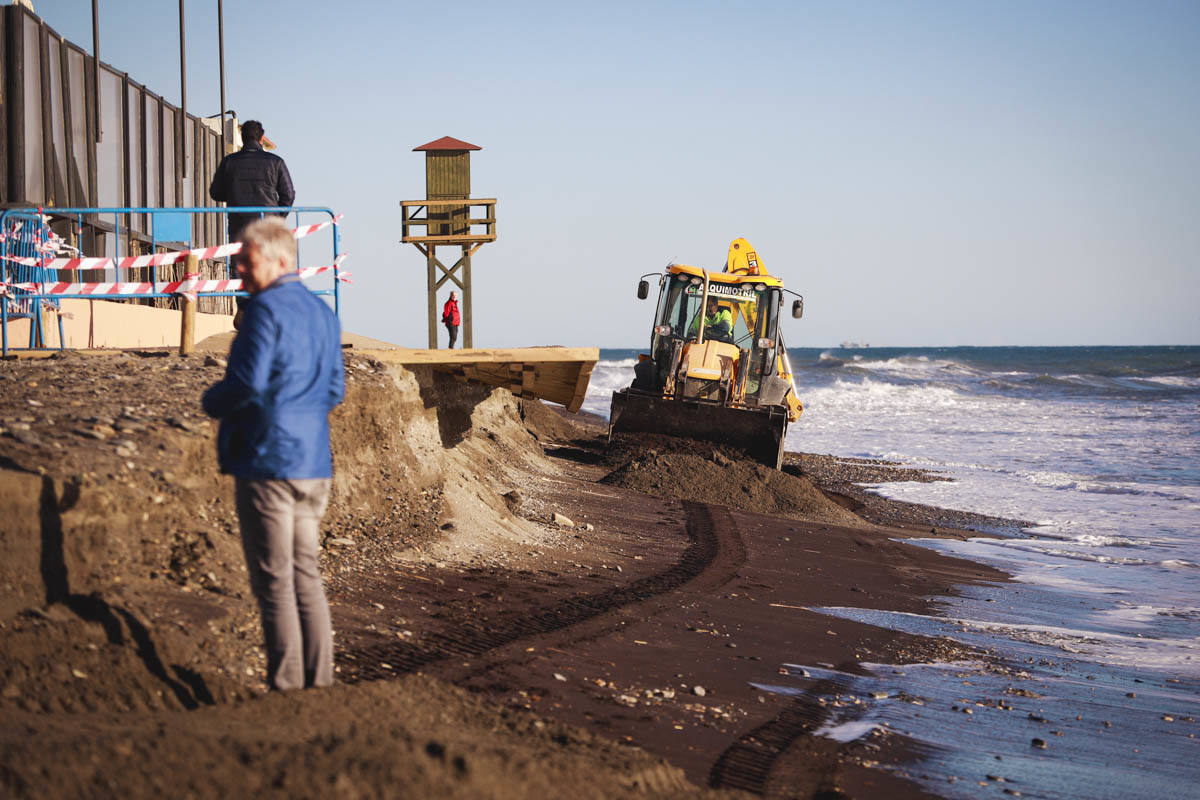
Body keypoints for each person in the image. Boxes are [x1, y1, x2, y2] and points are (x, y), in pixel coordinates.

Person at [201, 217, 344, 692]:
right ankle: (318, 686)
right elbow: (335, 389)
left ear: (282, 259)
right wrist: (300, 416)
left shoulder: (263, 311)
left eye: (248, 260)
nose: (240, 269)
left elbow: (247, 383)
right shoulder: (323, 314)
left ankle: (286, 689)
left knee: (274, 582)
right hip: (313, 462)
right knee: (306, 575)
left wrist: (210, 401)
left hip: (267, 461)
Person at [209, 120, 295, 242]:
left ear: (242, 138)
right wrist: (277, 218)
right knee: (267, 259)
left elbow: (215, 192)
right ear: (261, 139)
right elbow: (289, 195)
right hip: (268, 226)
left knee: (241, 260)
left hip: (239, 225)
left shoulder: (229, 161)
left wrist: (234, 194)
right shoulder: (276, 162)